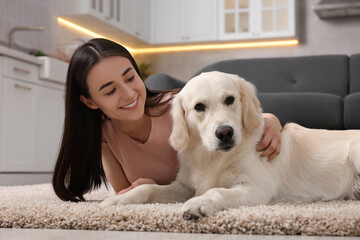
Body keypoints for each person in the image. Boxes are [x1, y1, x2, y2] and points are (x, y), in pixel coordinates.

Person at [52, 38, 282, 202]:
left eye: (130, 77)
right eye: (110, 91)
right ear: (90, 101)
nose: (128, 94)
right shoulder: (104, 136)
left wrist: (270, 118)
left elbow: (227, 118)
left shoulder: (182, 107)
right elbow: (124, 193)